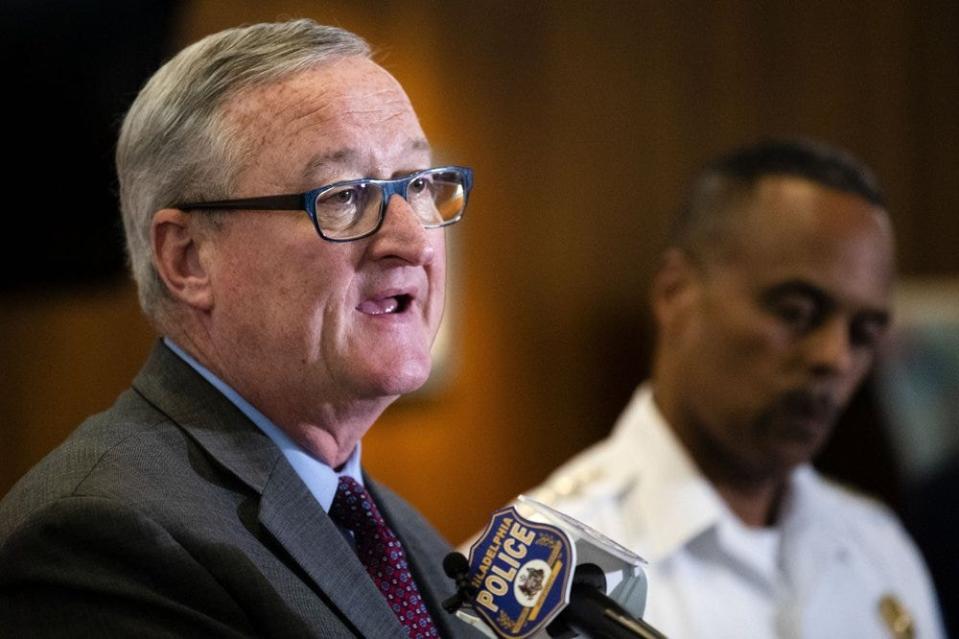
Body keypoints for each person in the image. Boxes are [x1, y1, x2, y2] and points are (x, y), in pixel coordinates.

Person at [0, 19, 479, 639]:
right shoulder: (99, 540)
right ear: (188, 259)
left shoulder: (400, 532)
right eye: (344, 195)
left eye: (416, 184)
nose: (412, 240)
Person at [525, 139, 945, 638]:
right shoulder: (541, 573)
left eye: (864, 334)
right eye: (796, 312)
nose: (835, 357)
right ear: (675, 294)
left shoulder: (879, 549)